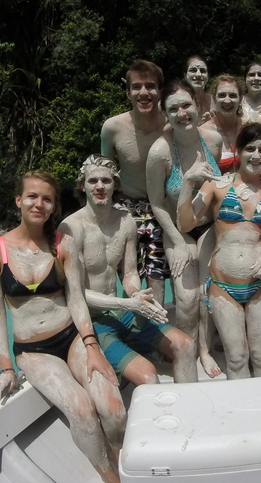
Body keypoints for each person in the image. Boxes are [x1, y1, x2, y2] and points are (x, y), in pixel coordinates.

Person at [0, 171, 125, 483]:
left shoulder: (64, 245)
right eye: (32, 196)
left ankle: (119, 458)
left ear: (53, 206)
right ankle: (108, 477)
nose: (39, 203)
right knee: (83, 412)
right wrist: (6, 367)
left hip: (73, 337)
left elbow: (76, 300)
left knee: (113, 409)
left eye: (47, 199)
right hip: (33, 351)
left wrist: (92, 346)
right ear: (18, 200)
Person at [62, 155, 198, 384]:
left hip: (123, 311)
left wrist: (136, 293)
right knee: (148, 375)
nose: (99, 187)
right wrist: (128, 303)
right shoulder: (71, 228)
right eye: (92, 181)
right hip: (92, 321)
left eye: (106, 181)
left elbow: (129, 273)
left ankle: (190, 412)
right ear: (82, 185)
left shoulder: (126, 222)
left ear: (115, 184)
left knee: (186, 345)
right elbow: (75, 294)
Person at [178, 124, 261, 379]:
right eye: (250, 149)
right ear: (239, 151)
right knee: (236, 359)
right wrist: (187, 183)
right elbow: (186, 223)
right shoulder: (216, 186)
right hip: (223, 288)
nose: (256, 155)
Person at [146, 79, 224, 376]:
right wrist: (178, 241)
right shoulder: (160, 152)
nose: (182, 113)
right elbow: (156, 203)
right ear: (165, 114)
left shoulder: (213, 141)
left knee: (208, 293)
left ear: (197, 104)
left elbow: (215, 188)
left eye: (186, 105)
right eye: (173, 109)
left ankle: (204, 349)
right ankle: (186, 349)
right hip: (177, 229)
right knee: (187, 299)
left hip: (209, 226)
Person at [101, 60, 169, 306]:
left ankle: (158, 330)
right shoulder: (113, 128)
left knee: (157, 275)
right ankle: (129, 328)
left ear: (160, 91)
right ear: (128, 92)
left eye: (150, 86)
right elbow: (104, 173)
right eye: (137, 87)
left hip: (163, 206)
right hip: (125, 209)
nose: (144, 93)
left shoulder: (171, 126)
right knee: (128, 275)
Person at [201, 74, 246, 174]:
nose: (227, 100)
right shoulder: (204, 132)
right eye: (222, 95)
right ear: (214, 98)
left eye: (232, 95)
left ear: (241, 99)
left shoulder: (248, 128)